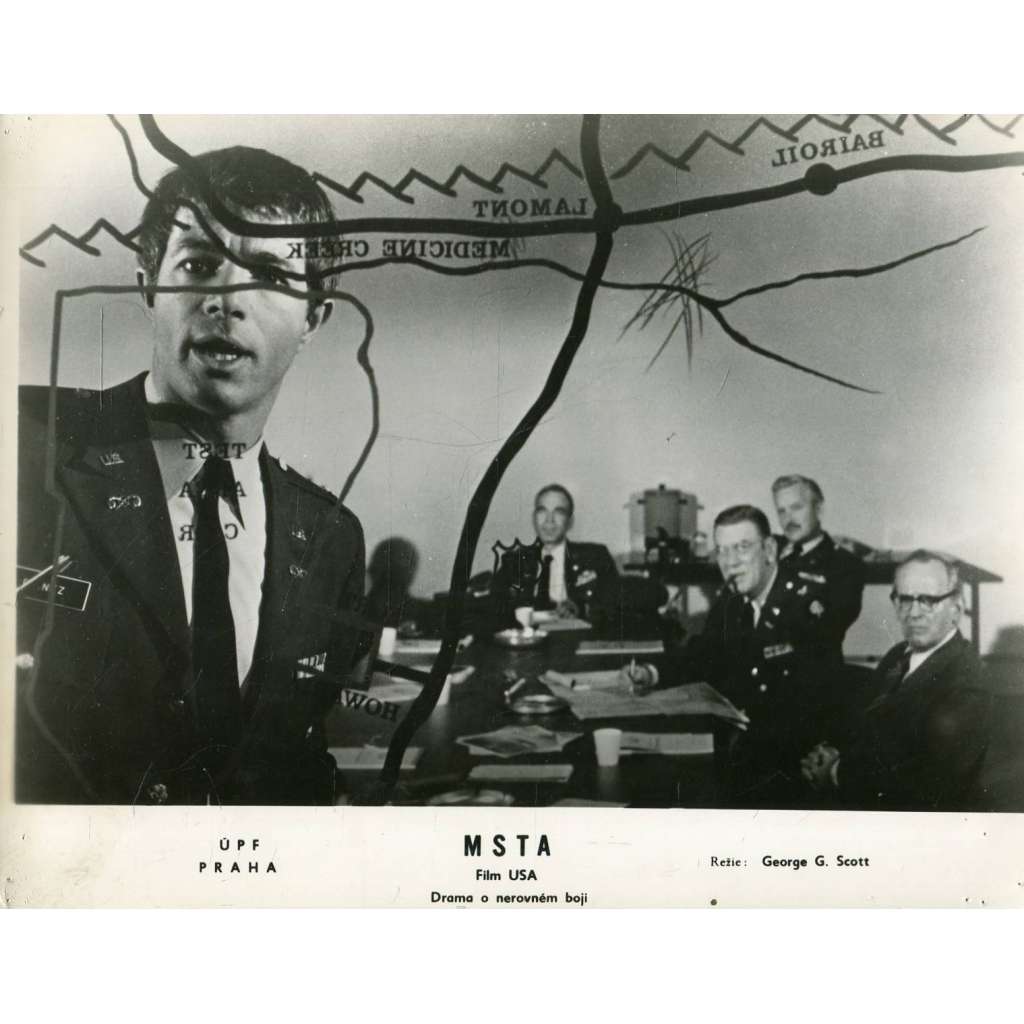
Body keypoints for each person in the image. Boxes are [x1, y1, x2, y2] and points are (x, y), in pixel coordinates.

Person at [16, 146, 368, 806]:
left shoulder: (331, 539)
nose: (226, 301)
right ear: (149, 287)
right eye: (199, 264)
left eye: (270, 274)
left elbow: (294, 756)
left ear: (314, 317)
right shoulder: (23, 448)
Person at [627, 504, 844, 802]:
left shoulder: (806, 606)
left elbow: (814, 703)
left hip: (789, 765)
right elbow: (703, 654)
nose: (730, 563)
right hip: (743, 748)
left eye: (742, 548)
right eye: (722, 551)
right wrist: (651, 673)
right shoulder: (733, 600)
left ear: (769, 550)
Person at [801, 551, 992, 810]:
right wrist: (831, 753)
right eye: (904, 599)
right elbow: (864, 723)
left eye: (928, 600)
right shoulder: (898, 655)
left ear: (956, 608)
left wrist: (837, 772)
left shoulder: (966, 684)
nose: (914, 612)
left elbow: (924, 785)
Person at [490, 483, 618, 624]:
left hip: (576, 636)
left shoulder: (595, 557)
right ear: (534, 518)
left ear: (570, 521)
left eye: (559, 512)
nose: (549, 520)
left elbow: (614, 608)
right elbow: (495, 608)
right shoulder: (515, 560)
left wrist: (580, 609)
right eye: (542, 511)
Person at [771, 474, 865, 651]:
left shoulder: (845, 565)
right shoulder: (769, 551)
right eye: (781, 511)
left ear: (819, 509)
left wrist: (760, 651)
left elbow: (823, 634)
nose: (788, 519)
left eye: (796, 508)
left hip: (808, 665)